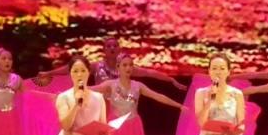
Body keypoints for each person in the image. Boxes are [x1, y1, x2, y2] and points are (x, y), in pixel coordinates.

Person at [37, 36, 187, 90]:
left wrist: (171, 79)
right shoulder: (96, 66)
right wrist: (49, 73)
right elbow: (71, 68)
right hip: (99, 107)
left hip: (119, 109)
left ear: (119, 49)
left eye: (115, 46)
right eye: (108, 46)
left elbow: (150, 73)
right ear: (104, 50)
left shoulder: (126, 68)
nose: (112, 48)